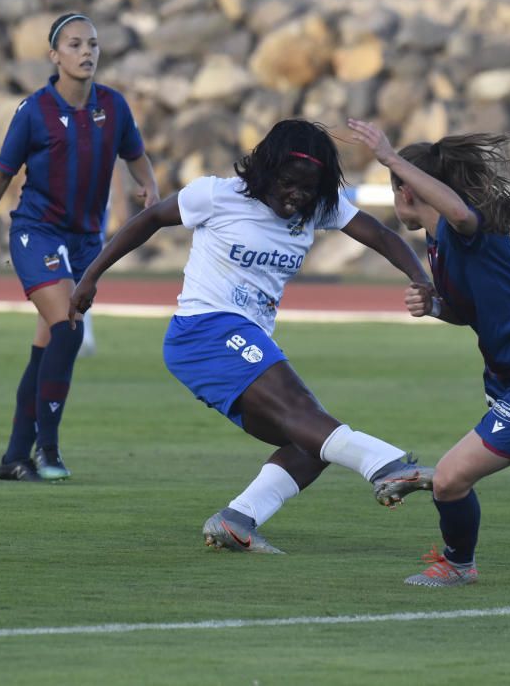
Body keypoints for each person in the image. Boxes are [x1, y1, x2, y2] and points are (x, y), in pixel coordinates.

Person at [69, 119, 435, 553]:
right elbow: (148, 220)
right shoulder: (217, 195)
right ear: (266, 169)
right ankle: (385, 465)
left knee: (309, 441)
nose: (296, 195)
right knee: (306, 415)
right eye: (287, 183)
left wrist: (420, 277)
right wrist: (91, 276)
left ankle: (237, 519)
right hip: (205, 330)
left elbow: (378, 234)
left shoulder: (317, 206)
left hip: (243, 338)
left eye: (307, 187)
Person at [346, 118, 510, 587]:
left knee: (449, 481)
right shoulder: (437, 242)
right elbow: (469, 312)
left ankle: (459, 564)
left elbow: (462, 215)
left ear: (405, 191)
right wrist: (435, 307)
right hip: (508, 375)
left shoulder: (463, 226)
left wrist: (390, 157)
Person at [0, 13, 159, 482]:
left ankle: (13, 458)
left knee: (46, 345)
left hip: (86, 242)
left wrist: (149, 187)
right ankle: (48, 450)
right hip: (36, 233)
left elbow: (136, 155)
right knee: (68, 325)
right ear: (54, 55)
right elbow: (0, 174)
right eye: (74, 45)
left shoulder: (114, 106)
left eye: (92, 44)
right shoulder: (34, 111)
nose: (86, 52)